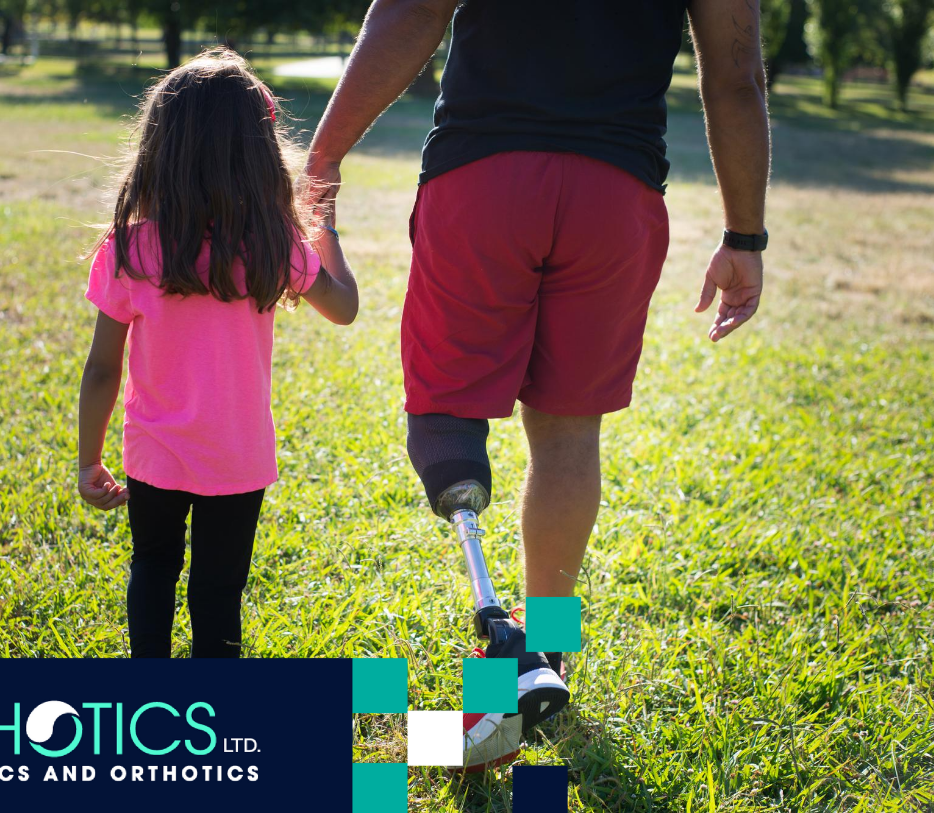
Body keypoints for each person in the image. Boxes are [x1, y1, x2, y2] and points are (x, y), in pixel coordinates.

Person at [306, 0, 770, 768]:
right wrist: (744, 236)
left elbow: (413, 11)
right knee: (567, 434)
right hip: (615, 197)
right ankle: (551, 654)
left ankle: (500, 663)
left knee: (447, 422)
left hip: (482, 179)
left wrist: (324, 158)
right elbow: (736, 72)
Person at [77, 49, 359, 658]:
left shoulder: (132, 246)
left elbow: (102, 369)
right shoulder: (272, 242)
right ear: (256, 152)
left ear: (160, 147)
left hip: (154, 451)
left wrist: (87, 461)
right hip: (238, 455)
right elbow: (345, 308)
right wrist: (324, 227)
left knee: (151, 565)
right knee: (219, 590)